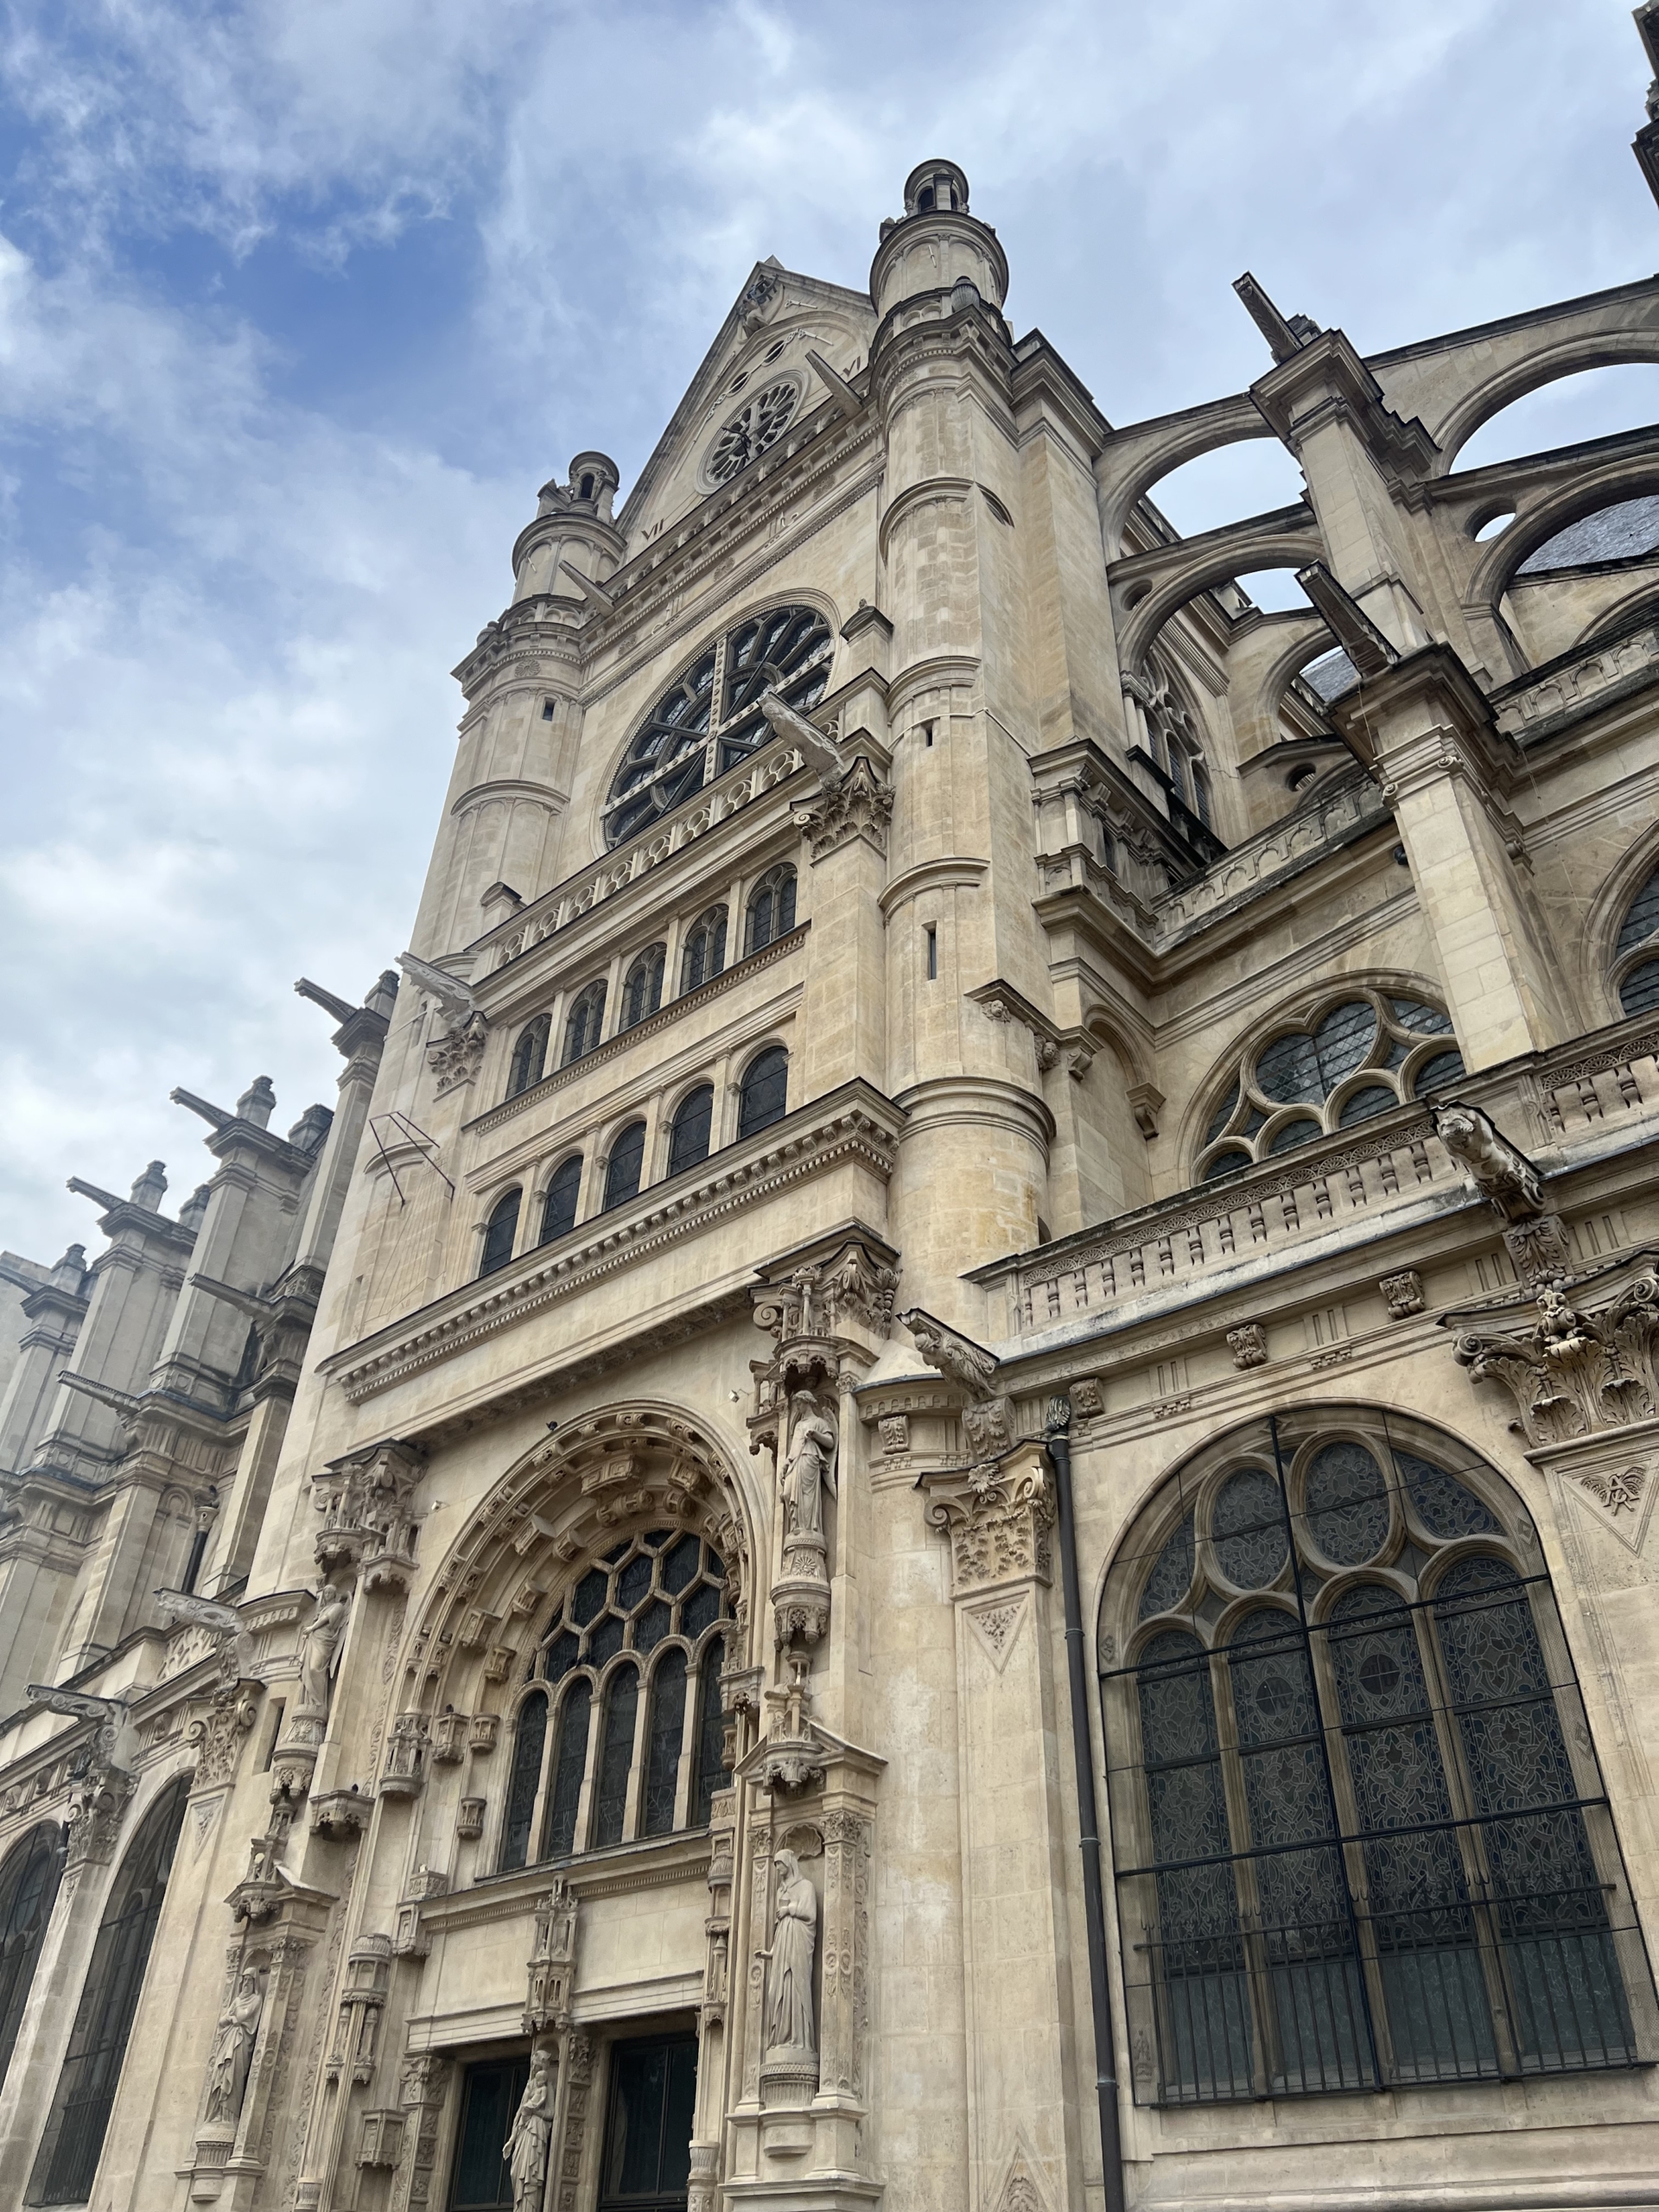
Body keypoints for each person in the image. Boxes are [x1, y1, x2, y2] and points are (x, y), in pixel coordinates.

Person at [764, 1848, 817, 2057]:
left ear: (789, 1863)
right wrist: (771, 1952)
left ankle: (800, 2039)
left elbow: (811, 1914)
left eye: (780, 1864)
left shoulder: (806, 1887)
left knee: (795, 1987)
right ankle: (781, 2037)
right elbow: (778, 1926)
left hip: (799, 1946)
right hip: (782, 1949)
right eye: (776, 1865)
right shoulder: (780, 1891)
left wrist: (790, 1910)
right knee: (776, 1991)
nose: (778, 1868)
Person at [204, 1970, 264, 2125]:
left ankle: (229, 2116)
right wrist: (231, 2018)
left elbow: (243, 2016)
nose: (246, 1984)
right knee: (221, 2073)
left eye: (250, 1981)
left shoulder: (256, 1999)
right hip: (229, 2039)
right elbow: (222, 2021)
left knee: (234, 2072)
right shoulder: (237, 2000)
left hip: (241, 2041)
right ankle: (219, 2113)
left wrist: (232, 2016)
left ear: (255, 1983)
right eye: (244, 1980)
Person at [505, 2050, 553, 2212]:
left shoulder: (547, 2087)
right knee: (516, 2172)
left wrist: (535, 2112)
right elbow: (520, 2111)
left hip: (536, 2131)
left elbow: (551, 2113)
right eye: (532, 2066)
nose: (533, 2069)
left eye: (536, 2066)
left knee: (530, 2173)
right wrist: (512, 2139)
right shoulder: (529, 2085)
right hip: (523, 2131)